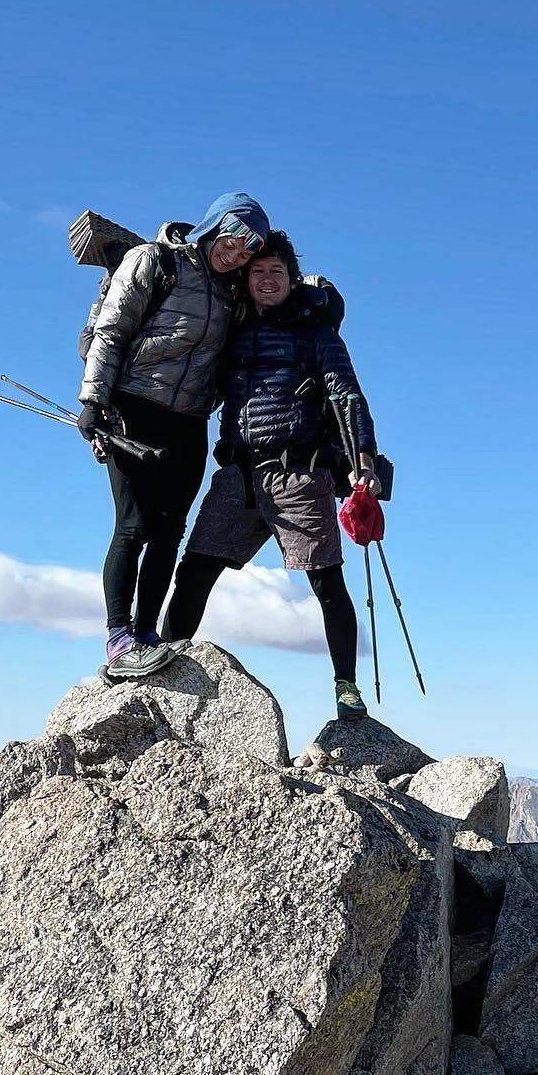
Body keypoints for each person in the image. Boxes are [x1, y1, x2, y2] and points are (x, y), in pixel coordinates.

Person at [163, 231, 380, 720]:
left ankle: (347, 689)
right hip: (237, 475)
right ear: (246, 277)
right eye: (257, 271)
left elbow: (348, 398)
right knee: (193, 571)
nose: (266, 279)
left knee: (326, 583)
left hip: (299, 475)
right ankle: (167, 670)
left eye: (276, 272)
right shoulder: (231, 330)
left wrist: (362, 461)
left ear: (292, 279)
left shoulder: (317, 335)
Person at [77, 192, 270, 678]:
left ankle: (146, 635)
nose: (237, 255)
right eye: (234, 240)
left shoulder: (234, 293)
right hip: (133, 408)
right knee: (135, 524)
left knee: (170, 533)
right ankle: (119, 639)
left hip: (190, 421)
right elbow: (111, 330)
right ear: (213, 225)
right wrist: (94, 401)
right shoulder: (154, 261)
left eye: (249, 252)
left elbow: (280, 295)